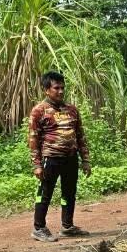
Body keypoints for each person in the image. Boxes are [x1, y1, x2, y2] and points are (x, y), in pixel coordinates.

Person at [28, 71, 91, 242]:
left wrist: (85, 159)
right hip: (51, 158)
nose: (61, 91)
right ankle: (39, 228)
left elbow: (80, 136)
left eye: (63, 87)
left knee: (69, 192)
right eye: (56, 88)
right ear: (46, 90)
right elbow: (33, 139)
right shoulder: (39, 111)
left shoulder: (71, 110)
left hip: (71, 158)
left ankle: (67, 226)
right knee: (45, 193)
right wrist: (37, 164)